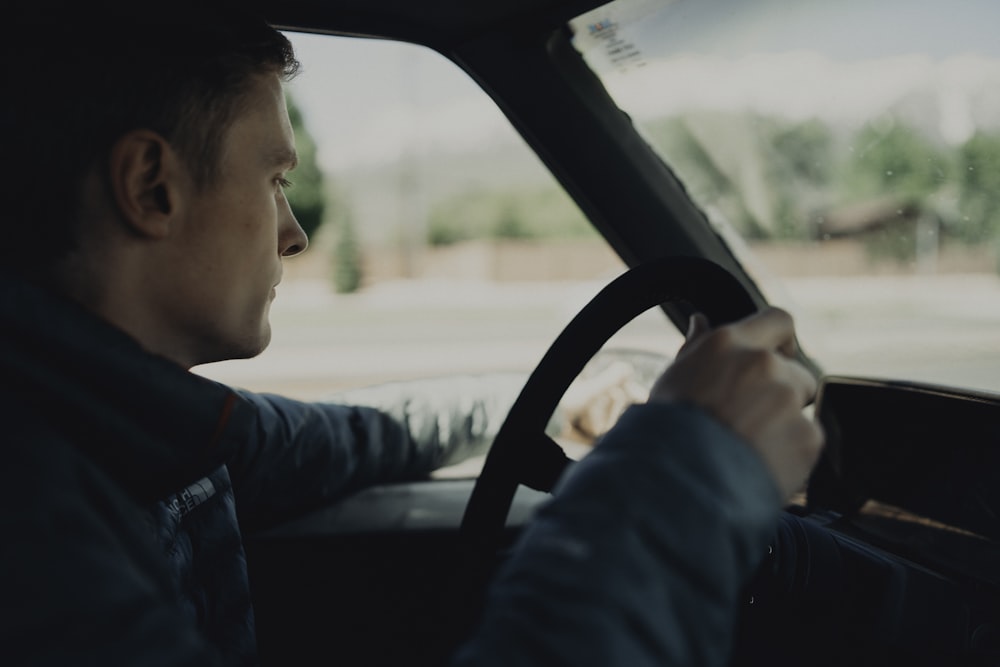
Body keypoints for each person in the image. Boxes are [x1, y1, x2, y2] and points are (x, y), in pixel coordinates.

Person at [0, 4, 823, 667]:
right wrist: (687, 474)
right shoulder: (36, 524)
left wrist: (564, 396)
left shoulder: (146, 426)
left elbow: (362, 436)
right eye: (275, 178)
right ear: (152, 185)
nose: (293, 232)